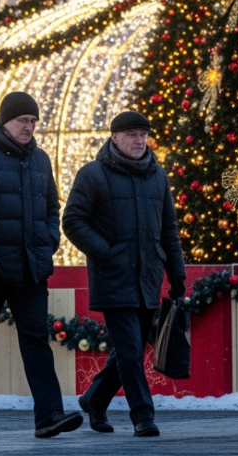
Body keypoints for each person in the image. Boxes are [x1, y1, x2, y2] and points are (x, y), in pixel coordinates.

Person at [0, 91, 83, 439]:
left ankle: (49, 414)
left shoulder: (40, 160)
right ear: (5, 121)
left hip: (30, 269)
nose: (29, 127)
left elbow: (52, 208)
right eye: (23, 120)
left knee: (37, 341)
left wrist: (48, 242)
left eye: (33, 121)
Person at [61, 111, 187, 437]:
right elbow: (73, 221)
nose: (139, 140)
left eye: (143, 134)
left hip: (148, 277)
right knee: (130, 351)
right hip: (113, 276)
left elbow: (168, 230)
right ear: (114, 137)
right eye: (131, 134)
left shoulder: (157, 177)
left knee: (129, 350)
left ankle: (94, 399)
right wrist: (106, 252)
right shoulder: (93, 174)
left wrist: (176, 274)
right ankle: (143, 416)